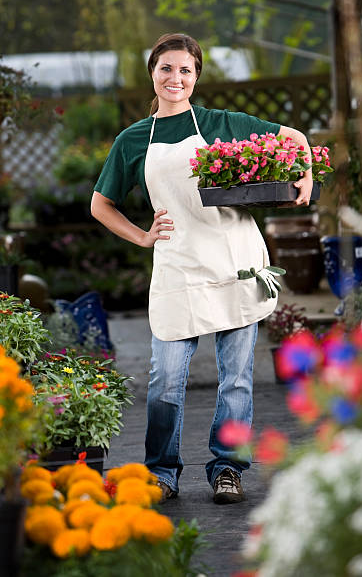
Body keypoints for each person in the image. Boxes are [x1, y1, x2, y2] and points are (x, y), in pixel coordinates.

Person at [91, 33, 313, 504]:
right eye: (167, 68)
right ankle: (162, 472)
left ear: (196, 77)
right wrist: (143, 236)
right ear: (152, 73)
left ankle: (227, 469)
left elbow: (293, 138)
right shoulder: (132, 140)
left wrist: (306, 174)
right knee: (165, 381)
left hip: (237, 262)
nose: (176, 78)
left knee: (236, 379)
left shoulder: (221, 123)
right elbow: (101, 204)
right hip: (177, 267)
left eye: (185, 70)